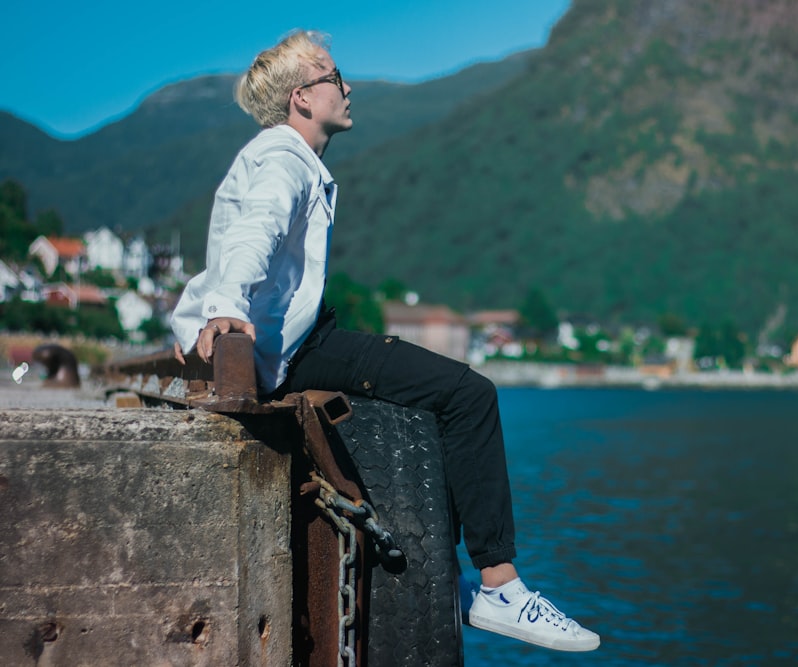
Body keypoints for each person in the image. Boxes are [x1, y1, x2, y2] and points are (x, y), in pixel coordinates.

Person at [170, 30, 599, 653]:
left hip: (297, 341)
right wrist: (227, 307)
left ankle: (476, 579)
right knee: (469, 394)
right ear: (302, 99)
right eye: (335, 79)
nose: (349, 88)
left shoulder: (283, 158)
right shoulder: (285, 161)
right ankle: (501, 588)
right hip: (291, 354)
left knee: (443, 387)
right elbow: (254, 232)